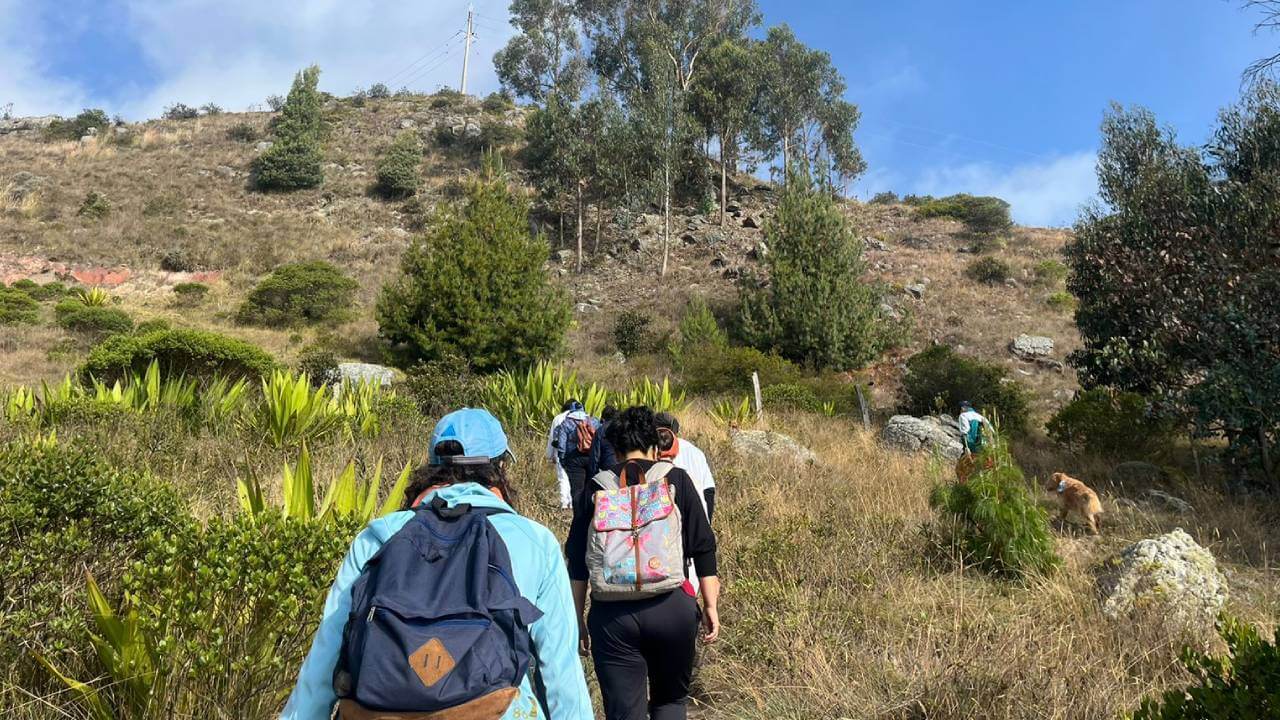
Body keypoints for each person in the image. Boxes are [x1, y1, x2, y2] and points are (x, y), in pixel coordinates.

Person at [281, 408, 594, 720]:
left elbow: (326, 655)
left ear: (432, 467)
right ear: (499, 468)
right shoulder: (535, 540)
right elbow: (560, 668)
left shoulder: (379, 536)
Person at [565, 406, 720, 720]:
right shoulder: (675, 478)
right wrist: (710, 605)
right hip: (672, 607)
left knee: (625, 713)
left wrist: (578, 618)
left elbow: (578, 562)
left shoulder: (596, 487)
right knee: (670, 703)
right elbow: (703, 547)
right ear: (655, 445)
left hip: (612, 615)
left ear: (616, 448)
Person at [654, 412, 716, 523]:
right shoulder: (695, 452)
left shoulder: (651, 453)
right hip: (696, 520)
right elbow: (709, 491)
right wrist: (706, 523)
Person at [553, 401, 600, 511]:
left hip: (574, 460)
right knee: (590, 487)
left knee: (577, 489)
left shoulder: (566, 423)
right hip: (591, 458)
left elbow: (561, 445)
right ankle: (590, 513)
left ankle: (578, 514)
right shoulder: (593, 421)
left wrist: (562, 460)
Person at [547, 399, 578, 509]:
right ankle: (573, 502)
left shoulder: (558, 418)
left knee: (562, 477)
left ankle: (564, 503)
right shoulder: (579, 417)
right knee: (574, 477)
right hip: (576, 452)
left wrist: (550, 455)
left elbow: (552, 437)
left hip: (560, 451)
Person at [587, 405, 619, 478]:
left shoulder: (600, 431)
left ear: (603, 419)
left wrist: (592, 475)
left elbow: (595, 456)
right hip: (625, 466)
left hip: (608, 467)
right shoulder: (624, 426)